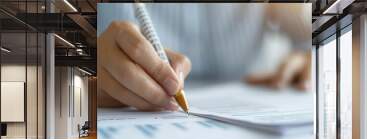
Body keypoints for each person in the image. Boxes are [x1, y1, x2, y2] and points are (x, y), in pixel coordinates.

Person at [97, 3, 311, 111]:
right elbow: (97, 42)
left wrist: (311, 53)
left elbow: (309, 32)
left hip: (259, 94)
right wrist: (100, 70)